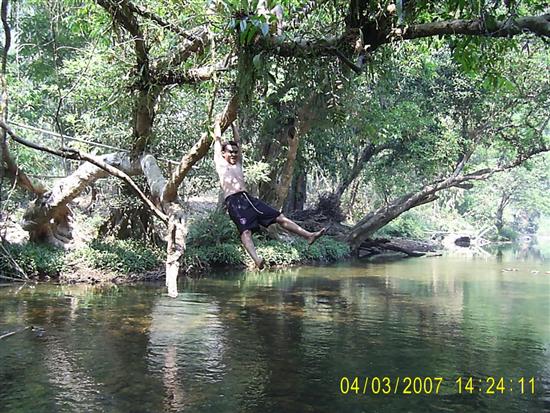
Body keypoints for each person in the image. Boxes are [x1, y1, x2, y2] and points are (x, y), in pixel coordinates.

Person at [213, 118, 326, 269]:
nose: (234, 154)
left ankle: (308, 235)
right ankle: (257, 260)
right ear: (223, 153)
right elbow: (217, 140)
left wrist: (233, 124)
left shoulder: (238, 163)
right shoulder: (221, 164)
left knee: (279, 217)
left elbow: (238, 141)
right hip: (234, 202)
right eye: (230, 152)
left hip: (249, 199)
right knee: (245, 232)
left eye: (235, 152)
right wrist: (217, 123)